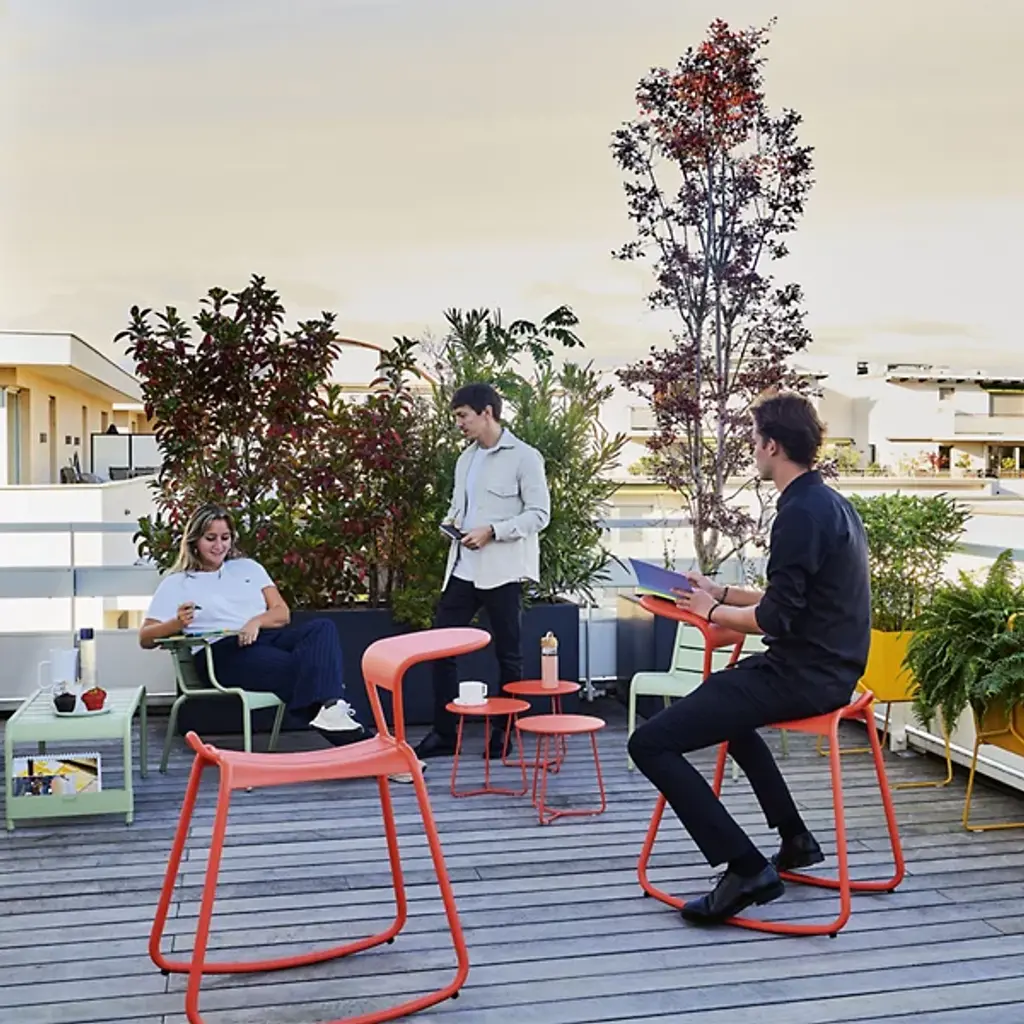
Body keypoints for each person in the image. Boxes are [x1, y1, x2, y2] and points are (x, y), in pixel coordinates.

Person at [627, 392, 871, 925]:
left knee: (649, 743)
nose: (752, 449)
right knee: (727, 714)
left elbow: (776, 619)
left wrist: (710, 610)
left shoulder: (799, 514)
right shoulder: (829, 503)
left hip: (804, 676)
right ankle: (795, 839)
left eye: (755, 440)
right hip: (829, 668)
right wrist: (720, 593)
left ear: (773, 445)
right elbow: (790, 598)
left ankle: (746, 868)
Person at [139, 503, 366, 747]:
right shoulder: (177, 583)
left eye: (225, 537)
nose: (219, 546)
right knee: (308, 672)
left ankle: (336, 715)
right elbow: (145, 638)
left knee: (322, 628)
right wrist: (176, 623)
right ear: (194, 541)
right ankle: (361, 743)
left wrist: (255, 621)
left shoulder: (249, 568)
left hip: (264, 638)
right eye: (210, 538)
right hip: (220, 652)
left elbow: (282, 613)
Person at [415, 382, 551, 760]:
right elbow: (460, 507)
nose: (459, 423)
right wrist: (452, 524)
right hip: (463, 568)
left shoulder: (525, 457)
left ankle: (503, 735)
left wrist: (493, 531)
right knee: (440, 649)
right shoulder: (466, 459)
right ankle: (445, 734)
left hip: (503, 571)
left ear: (487, 412)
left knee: (508, 655)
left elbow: (540, 515)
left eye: (463, 416)